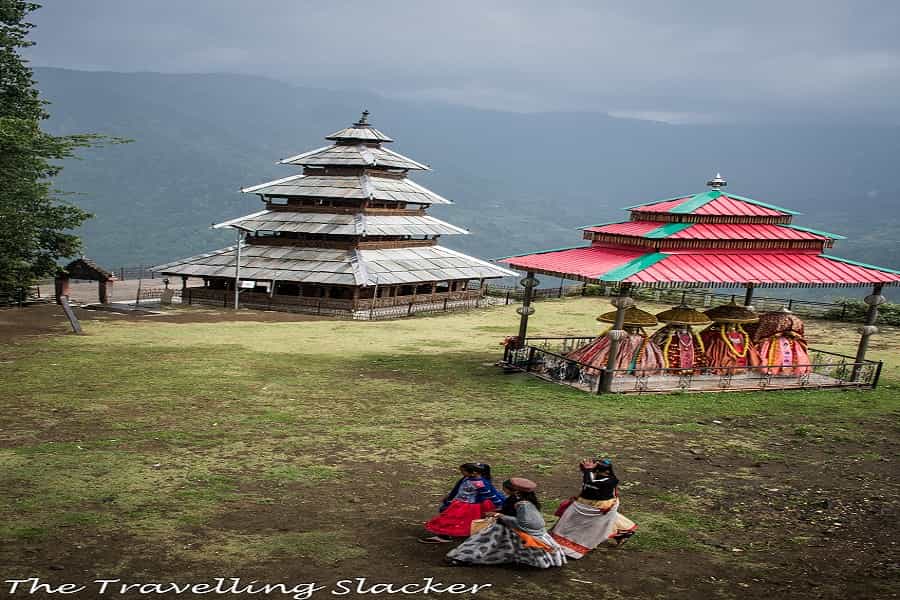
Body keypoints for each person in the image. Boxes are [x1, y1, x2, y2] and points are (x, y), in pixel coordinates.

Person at [446, 478, 566, 568]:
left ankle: (463, 558)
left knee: (482, 542)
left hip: (510, 530)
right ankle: (462, 558)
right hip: (508, 528)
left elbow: (528, 523)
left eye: (505, 488)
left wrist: (499, 515)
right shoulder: (518, 500)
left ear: (513, 491)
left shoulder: (523, 505)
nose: (503, 490)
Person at [550, 458, 637, 559]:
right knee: (604, 521)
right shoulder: (597, 476)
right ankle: (624, 531)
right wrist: (586, 470)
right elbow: (588, 480)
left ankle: (572, 545)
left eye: (596, 470)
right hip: (589, 504)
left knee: (588, 524)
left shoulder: (609, 481)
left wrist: (587, 470)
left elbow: (590, 483)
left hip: (599, 506)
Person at [419, 463, 505, 544]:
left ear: (473, 473)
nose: (462, 473)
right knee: (460, 520)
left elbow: (490, 495)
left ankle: (444, 536)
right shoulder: (469, 479)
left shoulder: (479, 484)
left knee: (450, 518)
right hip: (462, 504)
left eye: (463, 471)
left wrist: (499, 505)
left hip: (468, 506)